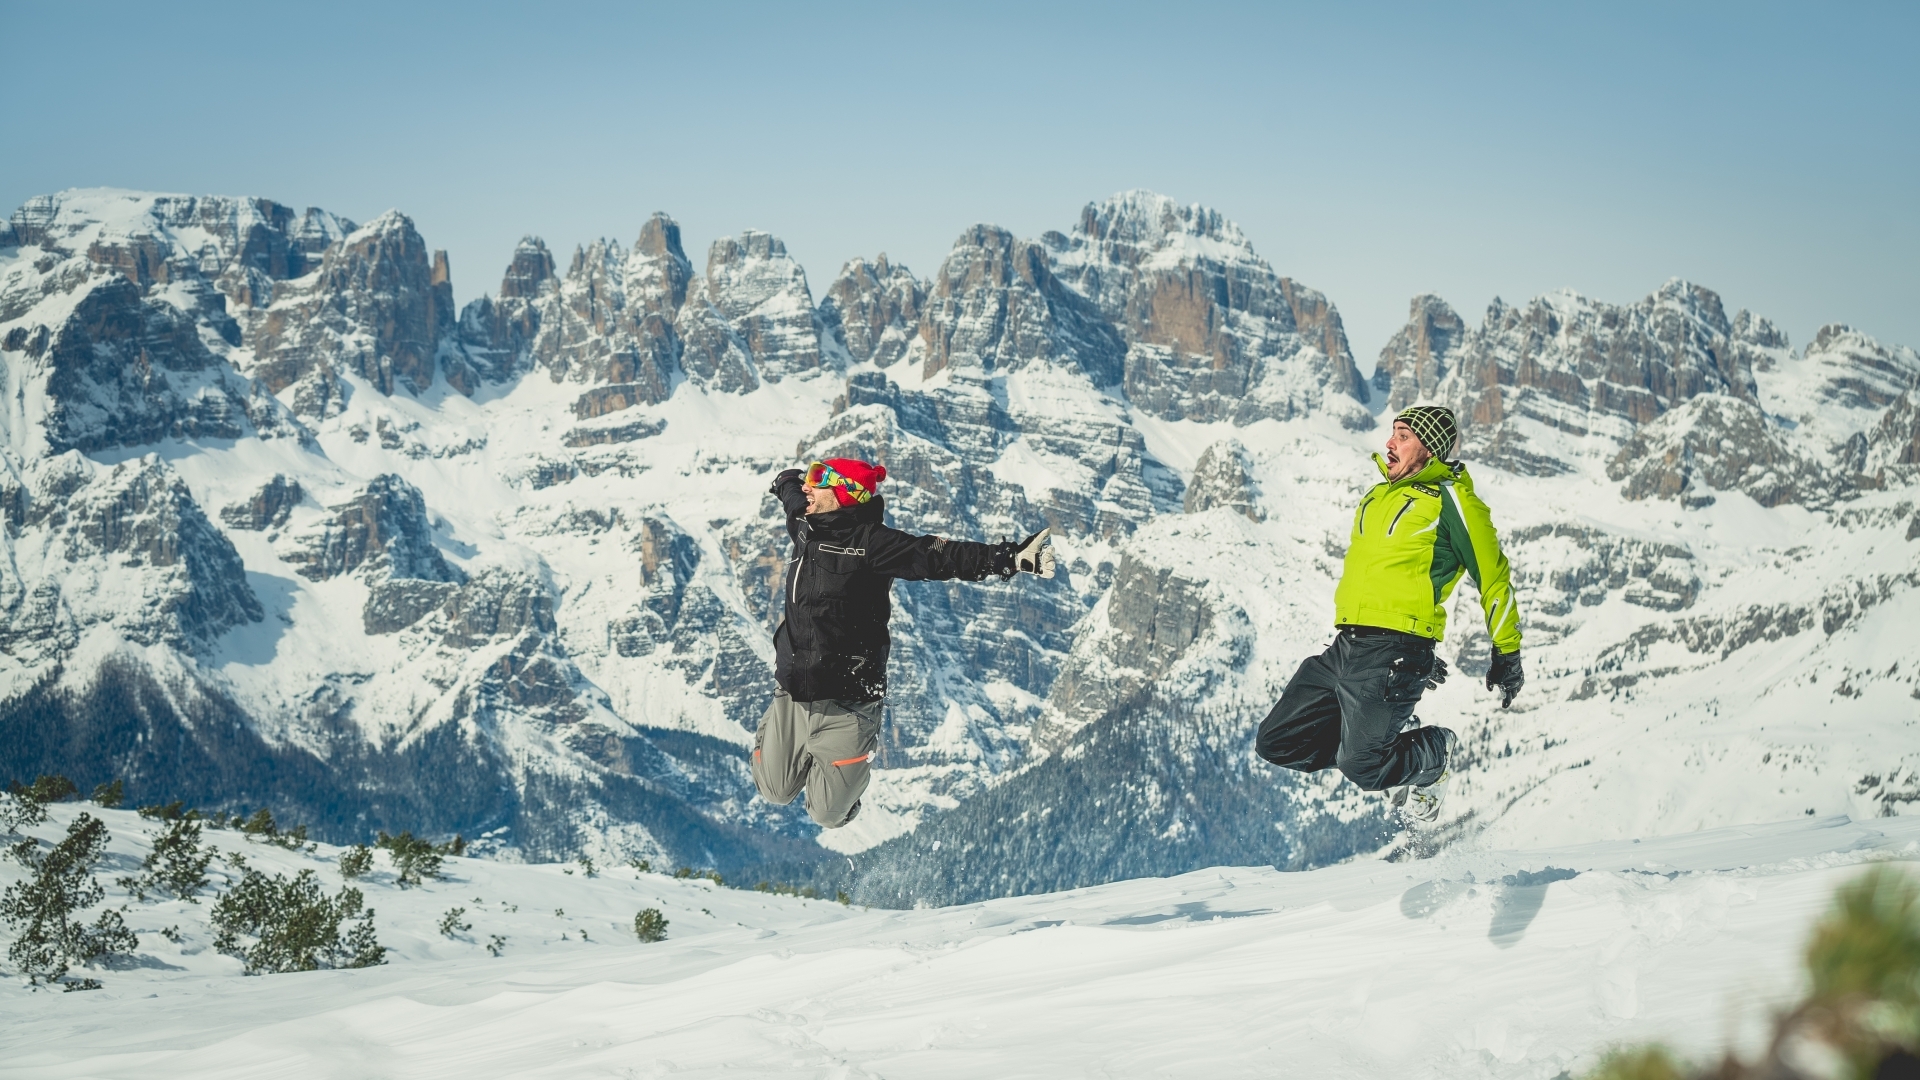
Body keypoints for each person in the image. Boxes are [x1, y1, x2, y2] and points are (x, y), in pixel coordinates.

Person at [1256, 405, 1525, 822]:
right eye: (1392, 432)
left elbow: (1494, 578)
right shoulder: (1380, 494)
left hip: (1393, 653)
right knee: (1277, 742)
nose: (1389, 443)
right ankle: (1387, 735)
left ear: (1429, 448)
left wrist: (1506, 653)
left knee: (1361, 766)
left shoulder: (1455, 501)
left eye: (1402, 435)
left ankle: (1433, 753)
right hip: (1345, 647)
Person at [755, 457, 1056, 828]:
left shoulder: (873, 543)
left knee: (827, 815)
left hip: (849, 702)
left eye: (817, 479)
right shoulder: (804, 523)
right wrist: (786, 480)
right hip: (794, 694)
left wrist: (1009, 558)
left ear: (846, 493)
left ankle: (844, 785)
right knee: (774, 789)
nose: (807, 487)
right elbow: (792, 495)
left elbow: (939, 555)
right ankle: (792, 752)